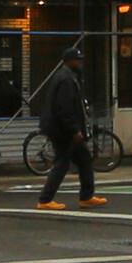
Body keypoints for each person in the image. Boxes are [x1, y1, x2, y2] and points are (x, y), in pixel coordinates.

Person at [36, 48, 106, 211]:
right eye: (77, 59)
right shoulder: (65, 79)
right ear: (68, 61)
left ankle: (87, 196)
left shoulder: (68, 77)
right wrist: (74, 130)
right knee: (62, 162)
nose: (80, 62)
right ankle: (45, 199)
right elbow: (64, 109)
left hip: (63, 128)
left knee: (84, 159)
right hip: (62, 130)